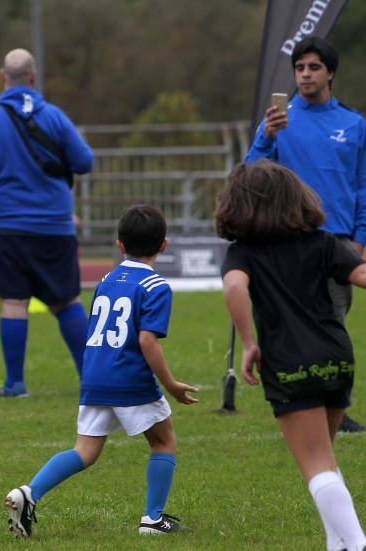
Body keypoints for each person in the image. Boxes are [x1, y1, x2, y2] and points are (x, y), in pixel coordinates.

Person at [4, 204, 197, 538]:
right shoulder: (155, 286)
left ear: (120, 244)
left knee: (85, 451)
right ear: (164, 244)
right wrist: (170, 384)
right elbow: (147, 340)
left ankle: (29, 493)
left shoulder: (107, 280)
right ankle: (152, 520)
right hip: (128, 377)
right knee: (163, 442)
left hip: (95, 375)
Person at [217, 160, 366, 551]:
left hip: (289, 361)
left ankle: (355, 543)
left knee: (317, 467)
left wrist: (249, 342)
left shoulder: (242, 253)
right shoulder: (324, 242)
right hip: (337, 357)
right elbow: (362, 274)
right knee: (327, 461)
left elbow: (234, 288)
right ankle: (339, 544)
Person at [0, 48, 94, 397]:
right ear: (32, 78)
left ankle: (16, 383)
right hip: (55, 227)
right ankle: (90, 377)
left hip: (6, 228)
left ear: (3, 78)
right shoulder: (56, 117)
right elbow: (84, 161)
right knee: (66, 302)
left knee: (13, 303)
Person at [246, 36, 366, 433]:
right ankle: (296, 399)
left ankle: (333, 405)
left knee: (331, 325)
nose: (305, 74)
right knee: (290, 326)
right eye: (299, 68)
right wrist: (265, 135)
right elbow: (249, 177)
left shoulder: (354, 124)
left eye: (314, 67)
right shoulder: (279, 122)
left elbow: (363, 187)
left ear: (330, 72)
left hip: (339, 244)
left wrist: (361, 239)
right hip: (289, 242)